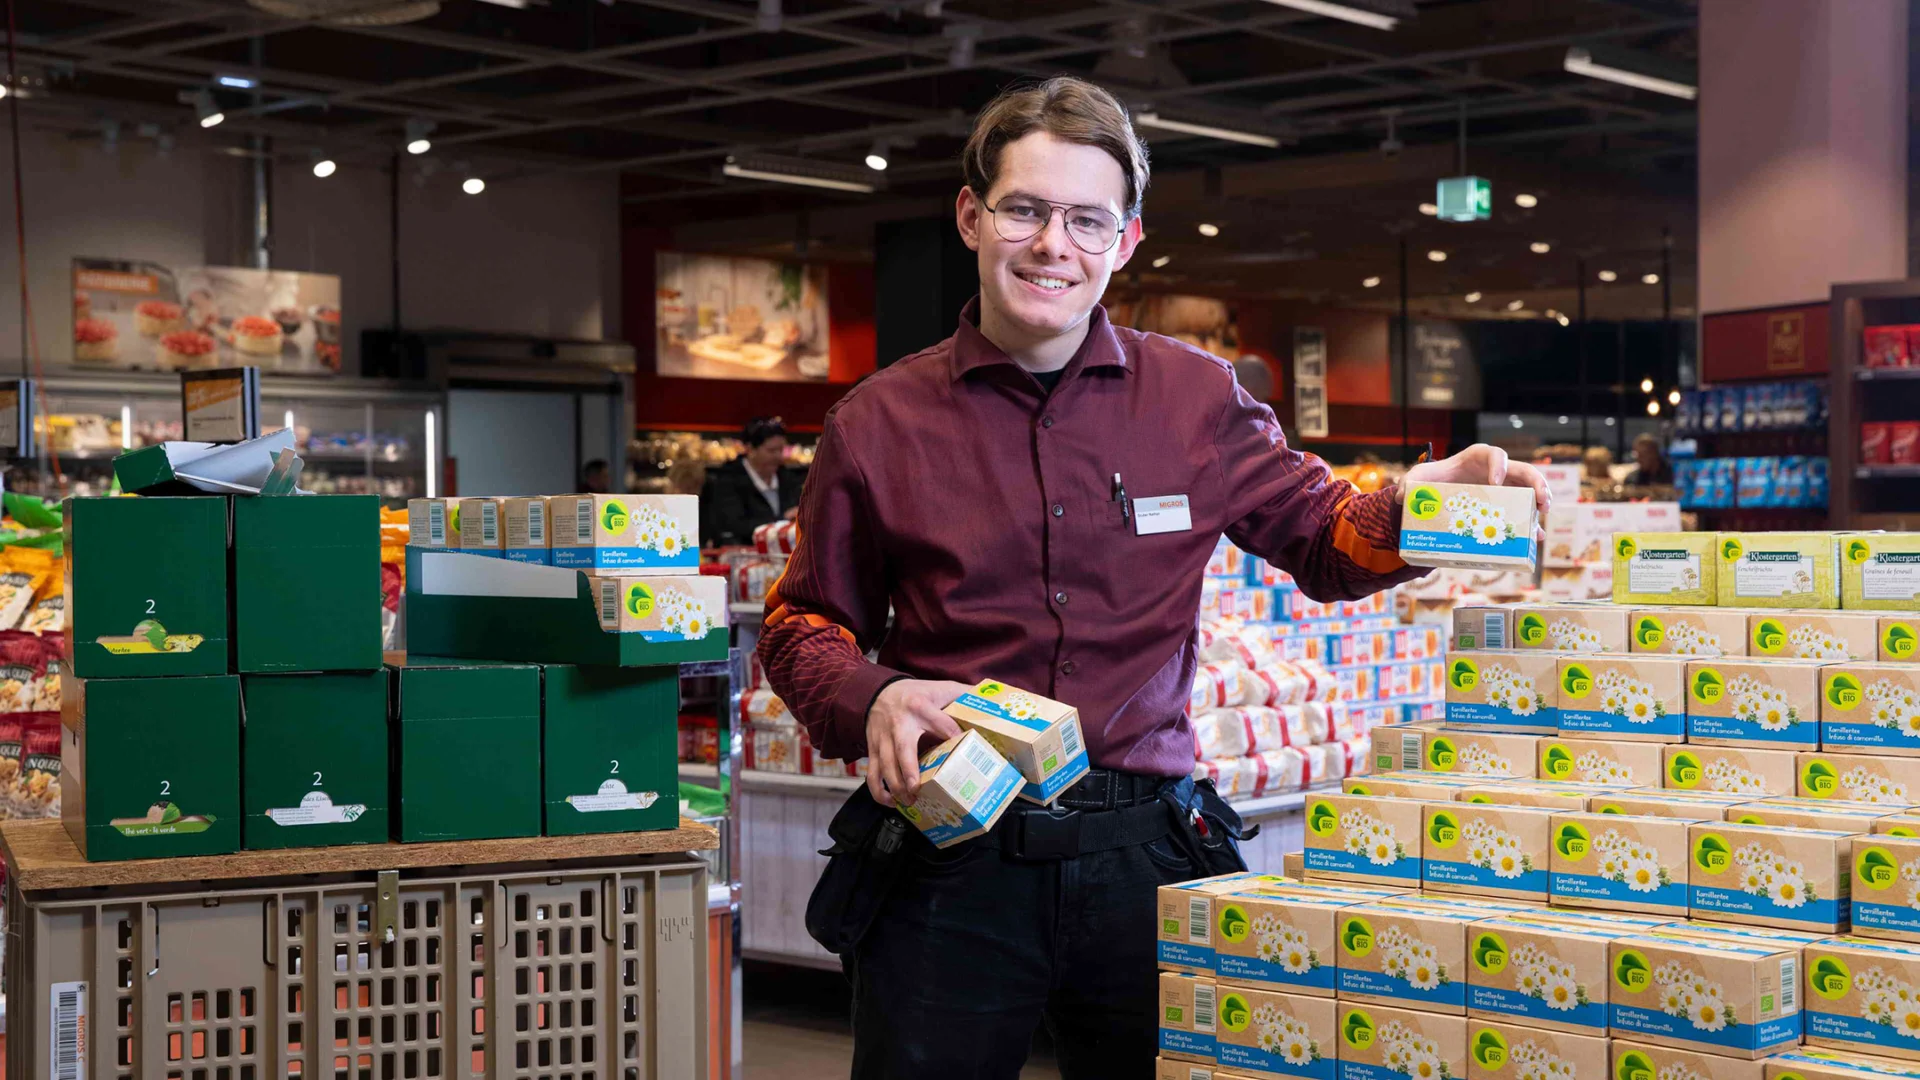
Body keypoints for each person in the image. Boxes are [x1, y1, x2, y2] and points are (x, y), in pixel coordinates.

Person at [757, 76, 1548, 1080]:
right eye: (1027, 211)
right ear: (972, 215)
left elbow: (1321, 533)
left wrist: (1433, 504)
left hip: (1147, 857)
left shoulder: (1195, 399)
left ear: (1126, 241)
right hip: (947, 866)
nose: (1055, 245)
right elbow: (802, 618)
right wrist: (876, 693)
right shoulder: (876, 422)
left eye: (1088, 220)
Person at [700, 416, 806, 547]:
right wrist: (782, 520)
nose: (778, 456)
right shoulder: (727, 481)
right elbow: (734, 525)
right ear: (750, 449)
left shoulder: (789, 479)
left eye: (781, 450)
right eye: (771, 450)